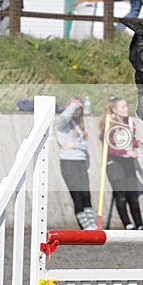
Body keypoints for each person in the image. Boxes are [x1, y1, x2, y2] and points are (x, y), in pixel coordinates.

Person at [100, 96, 143, 230]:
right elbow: (109, 147)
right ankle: (127, 224)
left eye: (126, 106)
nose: (126, 109)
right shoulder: (109, 124)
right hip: (114, 163)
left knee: (133, 196)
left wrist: (140, 143)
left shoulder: (129, 122)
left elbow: (130, 140)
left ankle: (140, 225)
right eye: (123, 107)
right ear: (115, 110)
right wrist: (126, 151)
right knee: (121, 195)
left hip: (127, 162)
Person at [56, 96, 98, 230]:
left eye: (79, 109)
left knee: (86, 194)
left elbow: (86, 145)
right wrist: (73, 105)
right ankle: (85, 226)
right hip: (68, 162)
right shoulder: (61, 124)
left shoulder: (79, 126)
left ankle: (92, 223)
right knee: (77, 195)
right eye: (74, 107)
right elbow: (64, 116)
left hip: (80, 162)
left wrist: (73, 145)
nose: (76, 111)